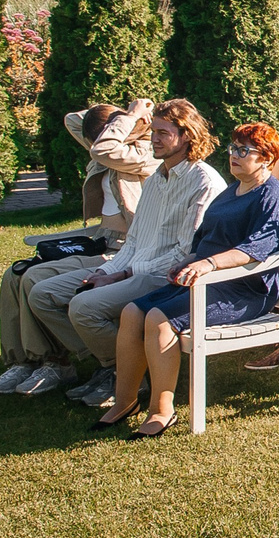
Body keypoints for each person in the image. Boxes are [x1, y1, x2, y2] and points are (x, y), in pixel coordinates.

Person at [96, 123, 279, 437]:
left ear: (266, 158)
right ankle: (125, 402)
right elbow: (206, 237)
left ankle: (162, 411)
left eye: (244, 150)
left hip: (245, 288)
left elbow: (256, 250)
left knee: (160, 320)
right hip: (209, 279)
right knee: (132, 313)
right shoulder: (231, 191)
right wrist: (191, 260)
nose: (234, 155)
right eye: (233, 148)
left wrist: (208, 263)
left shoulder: (273, 197)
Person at [41, 101, 226, 412]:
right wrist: (109, 271)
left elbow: (182, 255)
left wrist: (122, 275)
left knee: (83, 307)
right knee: (44, 294)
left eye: (162, 133)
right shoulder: (156, 178)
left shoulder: (203, 182)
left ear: (187, 136)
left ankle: (127, 375)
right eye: (152, 131)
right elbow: (135, 240)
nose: (152, 138)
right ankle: (112, 366)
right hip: (134, 268)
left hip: (165, 278)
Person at [0, 101, 155, 396]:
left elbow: (104, 149)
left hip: (123, 250)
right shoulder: (107, 144)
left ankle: (62, 362)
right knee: (15, 275)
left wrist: (133, 118)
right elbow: (72, 120)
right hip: (98, 241)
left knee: (33, 279)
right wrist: (129, 114)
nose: (92, 145)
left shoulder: (142, 154)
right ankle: (27, 361)